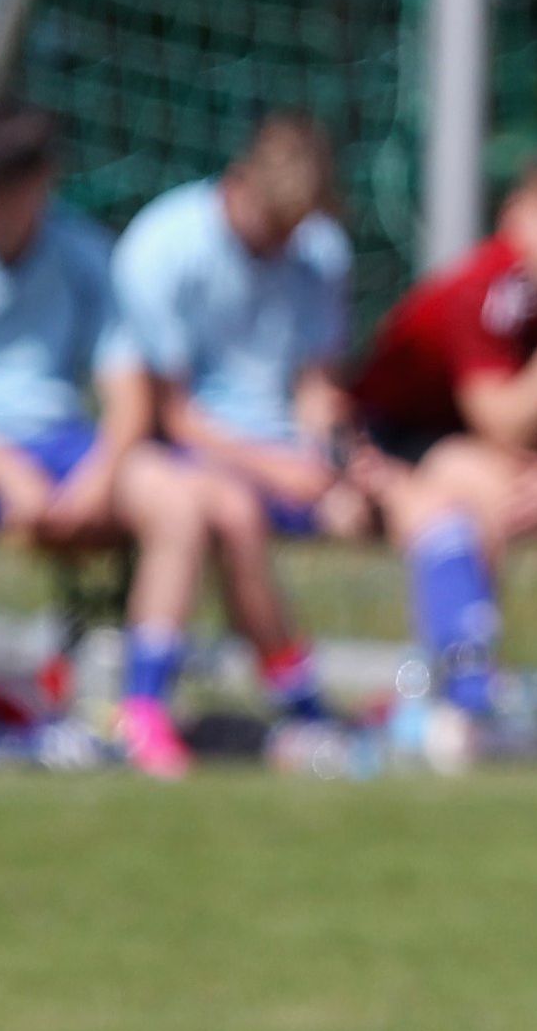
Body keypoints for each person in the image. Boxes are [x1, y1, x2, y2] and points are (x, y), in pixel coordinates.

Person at [345, 157, 537, 747]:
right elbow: (504, 423)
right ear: (516, 219)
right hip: (402, 440)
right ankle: (465, 695)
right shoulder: (483, 288)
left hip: (519, 450)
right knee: (480, 488)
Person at [90, 110, 352, 772]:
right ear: (238, 184)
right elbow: (171, 414)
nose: (286, 244)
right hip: (182, 450)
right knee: (225, 510)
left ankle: (455, 703)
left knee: (407, 503)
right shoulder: (163, 243)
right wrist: (274, 468)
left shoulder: (319, 246)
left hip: (280, 454)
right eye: (274, 228)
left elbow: (317, 384)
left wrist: (329, 456)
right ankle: (152, 708)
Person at [0, 105, 148, 629]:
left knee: (185, 501)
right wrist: (6, 469)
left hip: (63, 445)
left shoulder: (84, 252)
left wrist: (97, 479)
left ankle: (140, 697)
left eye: (14, 182)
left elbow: (129, 395)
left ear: (45, 178)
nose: (2, 199)